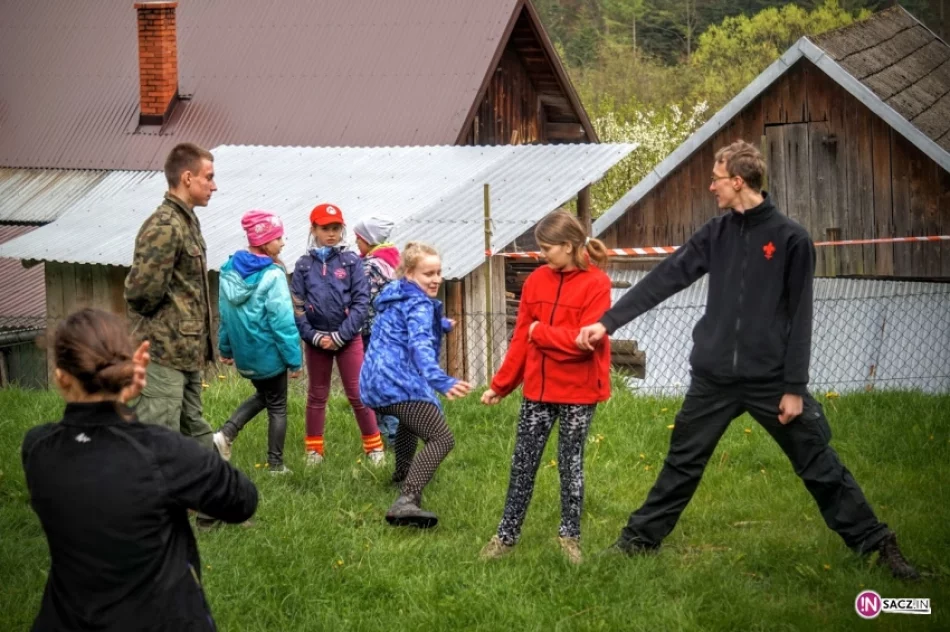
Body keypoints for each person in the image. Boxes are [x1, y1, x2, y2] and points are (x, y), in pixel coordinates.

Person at [576, 140, 919, 580]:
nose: (711, 187)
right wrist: (608, 322)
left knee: (818, 463)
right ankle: (637, 543)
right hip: (713, 379)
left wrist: (794, 388)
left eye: (717, 179)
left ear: (738, 181)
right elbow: (665, 277)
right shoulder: (714, 234)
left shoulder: (791, 239)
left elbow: (800, 318)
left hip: (771, 381)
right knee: (682, 463)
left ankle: (876, 544)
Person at [22, 308, 258, 631]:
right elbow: (243, 499)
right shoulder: (164, 453)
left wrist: (119, 401)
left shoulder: (37, 450)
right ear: (124, 369)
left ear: (61, 376)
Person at [478, 211, 612, 564]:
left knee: (571, 465)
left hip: (579, 393)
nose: (542, 255)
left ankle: (570, 538)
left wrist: (542, 335)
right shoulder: (536, 280)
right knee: (522, 463)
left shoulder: (597, 284)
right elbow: (521, 338)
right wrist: (500, 386)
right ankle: (505, 537)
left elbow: (585, 343)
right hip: (537, 391)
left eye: (547, 248)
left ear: (568, 246)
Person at [360, 242, 472, 528]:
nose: (436, 279)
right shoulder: (419, 304)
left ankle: (402, 476)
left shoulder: (394, 294)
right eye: (428, 274)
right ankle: (406, 500)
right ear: (409, 273)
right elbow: (419, 346)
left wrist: (441, 325)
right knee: (442, 438)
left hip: (374, 380)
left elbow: (403, 327)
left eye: (438, 272)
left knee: (408, 421)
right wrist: (441, 380)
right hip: (398, 381)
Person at [125, 143, 218, 453]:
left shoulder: (187, 221)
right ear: (187, 177)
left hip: (186, 352)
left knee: (194, 432)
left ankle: (213, 494)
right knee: (158, 438)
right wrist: (168, 326)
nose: (213, 186)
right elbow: (141, 293)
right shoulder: (165, 225)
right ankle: (150, 499)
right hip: (163, 352)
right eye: (209, 177)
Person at [291, 203, 385, 466]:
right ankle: (314, 451)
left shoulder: (352, 261)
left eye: (335, 228)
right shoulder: (303, 265)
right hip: (316, 340)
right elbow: (298, 304)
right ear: (314, 230)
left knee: (357, 393)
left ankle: (375, 449)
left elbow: (361, 301)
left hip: (348, 339)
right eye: (325, 228)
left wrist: (341, 336)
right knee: (317, 394)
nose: (331, 233)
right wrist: (313, 336)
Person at [212, 210, 302, 475]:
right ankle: (275, 465)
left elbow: (225, 313)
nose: (283, 243)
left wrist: (226, 348)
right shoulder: (272, 275)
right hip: (268, 354)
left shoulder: (228, 270)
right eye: (278, 238)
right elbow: (282, 322)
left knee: (264, 395)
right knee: (277, 405)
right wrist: (294, 359)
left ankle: (226, 434)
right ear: (264, 241)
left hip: (246, 354)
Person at [353, 215, 401, 445]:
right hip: (390, 332)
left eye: (359, 239)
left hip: (372, 332)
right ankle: (390, 431)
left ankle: (390, 433)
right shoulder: (392, 260)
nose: (356, 244)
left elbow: (363, 299)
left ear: (369, 239)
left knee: (377, 382)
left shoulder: (371, 266)